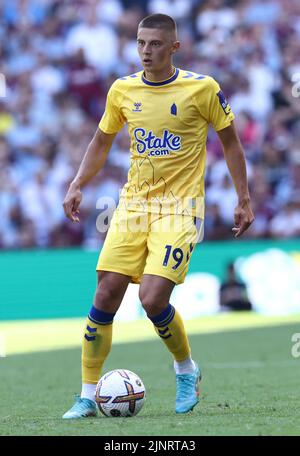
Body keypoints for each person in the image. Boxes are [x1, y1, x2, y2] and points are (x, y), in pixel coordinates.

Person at [62, 13, 254, 418]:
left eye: (154, 44)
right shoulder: (122, 90)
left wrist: (243, 198)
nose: (146, 51)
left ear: (174, 47)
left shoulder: (202, 89)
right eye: (140, 43)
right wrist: (78, 181)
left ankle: (186, 369)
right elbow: (101, 140)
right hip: (132, 206)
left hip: (181, 210)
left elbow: (231, 143)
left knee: (151, 299)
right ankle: (87, 393)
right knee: (106, 293)